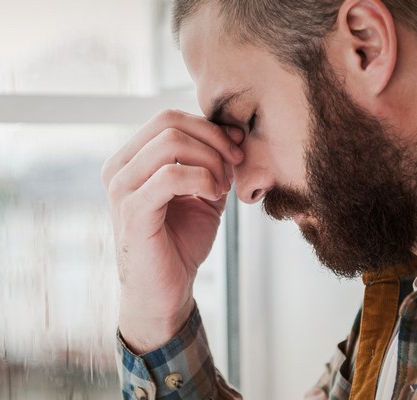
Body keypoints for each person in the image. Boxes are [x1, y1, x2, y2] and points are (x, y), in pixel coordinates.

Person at [101, 0, 417, 399]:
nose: (246, 190)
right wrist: (157, 317)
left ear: (366, 46)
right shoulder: (395, 296)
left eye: (248, 119)